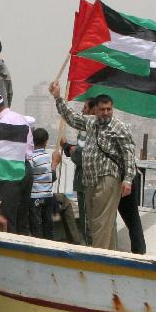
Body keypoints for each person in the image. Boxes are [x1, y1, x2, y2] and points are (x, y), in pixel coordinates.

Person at [49, 81, 136, 251]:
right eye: (102, 110)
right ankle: (108, 258)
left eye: (108, 109)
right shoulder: (90, 123)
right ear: (95, 110)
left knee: (100, 223)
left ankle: (98, 258)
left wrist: (128, 180)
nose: (105, 113)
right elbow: (71, 117)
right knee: (95, 221)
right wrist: (58, 97)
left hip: (108, 179)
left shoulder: (119, 128)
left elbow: (128, 154)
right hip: (90, 181)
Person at [0, 90, 33, 235]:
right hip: (26, 168)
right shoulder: (21, 118)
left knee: (7, 218)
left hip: (10, 170)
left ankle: (11, 252)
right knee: (23, 218)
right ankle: (25, 253)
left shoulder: (2, 123)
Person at [60, 98, 95, 245]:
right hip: (83, 181)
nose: (82, 110)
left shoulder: (92, 129)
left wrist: (69, 148)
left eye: (85, 107)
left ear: (93, 110)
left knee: (87, 220)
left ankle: (92, 250)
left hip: (87, 181)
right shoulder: (86, 131)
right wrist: (70, 148)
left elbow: (81, 155)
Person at [29, 128, 61, 240]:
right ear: (46, 141)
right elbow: (53, 177)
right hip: (48, 197)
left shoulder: (30, 158)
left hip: (34, 197)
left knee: (36, 226)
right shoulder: (49, 158)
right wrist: (55, 163)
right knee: (48, 226)